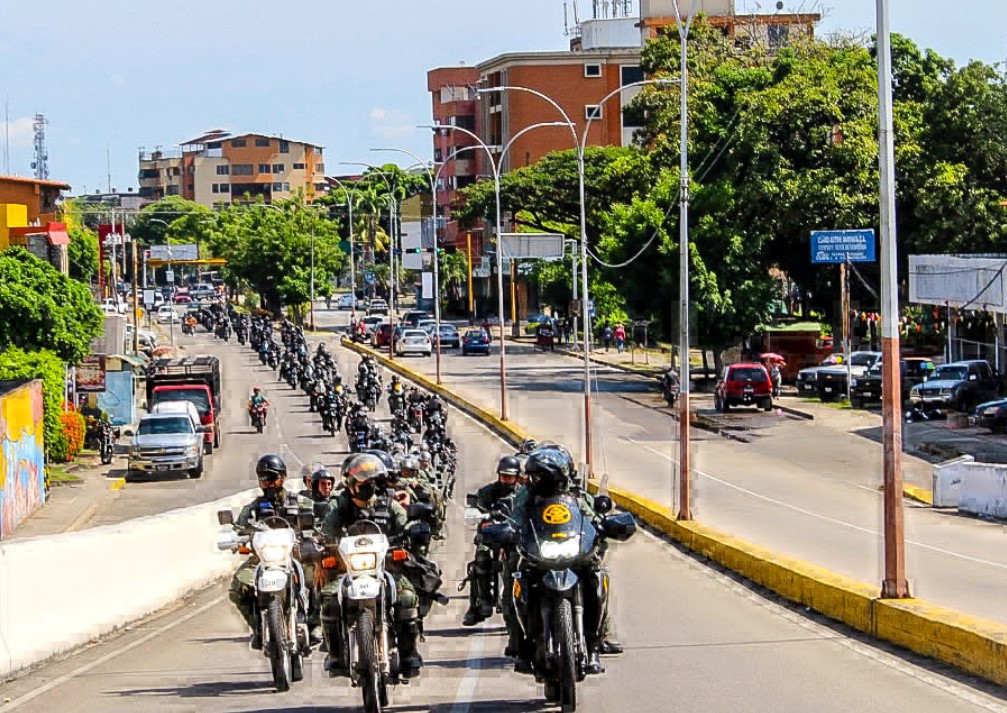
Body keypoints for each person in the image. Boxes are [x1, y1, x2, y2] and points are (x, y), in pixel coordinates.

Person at [502, 446, 623, 675]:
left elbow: (590, 517)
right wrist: (508, 533)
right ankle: (521, 647)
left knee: (596, 578)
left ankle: (596, 642)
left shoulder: (576, 495)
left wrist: (602, 528)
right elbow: (515, 520)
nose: (543, 480)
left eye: (548, 475)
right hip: (538, 552)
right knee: (514, 585)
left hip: (571, 552)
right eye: (539, 475)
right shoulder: (525, 496)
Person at [319, 453, 424, 678]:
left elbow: (406, 526)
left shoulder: (389, 504)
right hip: (349, 571)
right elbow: (326, 533)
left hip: (387, 569)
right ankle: (335, 654)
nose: (367, 486)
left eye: (370, 481)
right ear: (350, 483)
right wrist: (325, 545)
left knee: (407, 598)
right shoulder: (339, 506)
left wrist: (413, 532)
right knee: (329, 599)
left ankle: (409, 653)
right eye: (361, 482)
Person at [227, 454, 311, 650]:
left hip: (295, 555)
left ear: (283, 478)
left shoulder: (298, 502)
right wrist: (236, 539)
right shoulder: (253, 508)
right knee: (238, 589)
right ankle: (258, 627)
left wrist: (316, 533)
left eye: (272, 478)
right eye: (263, 479)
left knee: (319, 581)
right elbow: (238, 530)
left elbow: (319, 519)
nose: (268, 483)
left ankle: (313, 624)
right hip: (262, 559)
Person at [461, 455, 522, 627]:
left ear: (517, 476)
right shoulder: (488, 492)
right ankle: (480, 604)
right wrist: (485, 516)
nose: (506, 479)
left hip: (515, 536)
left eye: (510, 476)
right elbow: (479, 511)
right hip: (494, 535)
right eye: (503, 475)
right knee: (481, 556)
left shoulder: (524, 493)